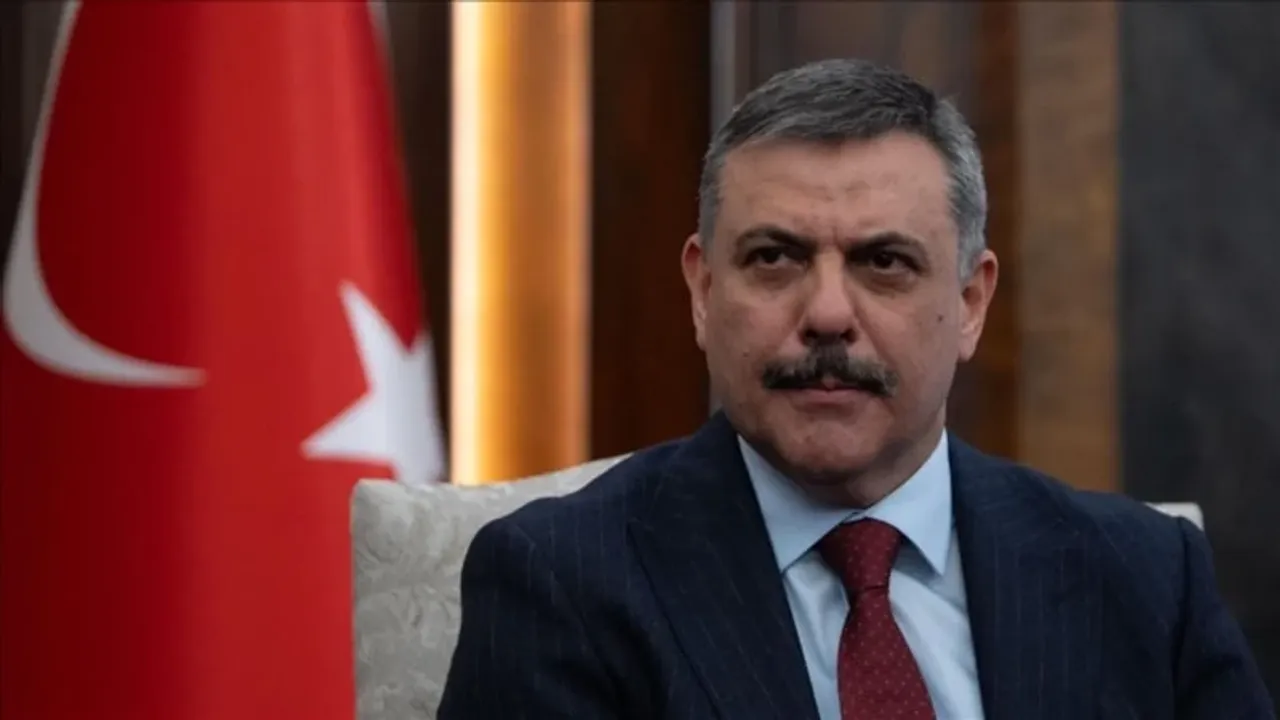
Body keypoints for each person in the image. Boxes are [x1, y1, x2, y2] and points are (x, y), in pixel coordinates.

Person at [437, 58, 1274, 720]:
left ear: (970, 303)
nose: (828, 315)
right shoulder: (562, 583)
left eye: (885, 262)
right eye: (775, 258)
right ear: (703, 292)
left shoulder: (1144, 577)